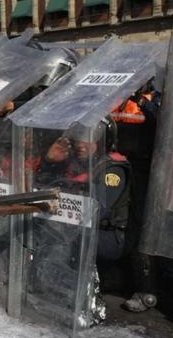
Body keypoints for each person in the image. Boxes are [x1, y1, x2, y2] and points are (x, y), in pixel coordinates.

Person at [39, 117, 131, 263]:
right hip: (74, 226)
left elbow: (96, 212)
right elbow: (41, 187)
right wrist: (50, 162)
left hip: (105, 234)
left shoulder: (112, 169)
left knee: (58, 242)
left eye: (88, 139)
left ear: (102, 142)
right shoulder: (75, 163)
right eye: (78, 139)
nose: (80, 145)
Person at [111, 83, 162, 313]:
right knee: (120, 222)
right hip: (116, 167)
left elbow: (164, 125)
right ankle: (119, 276)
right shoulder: (118, 98)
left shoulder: (156, 101)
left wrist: (144, 102)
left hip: (146, 171)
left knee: (141, 227)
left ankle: (146, 289)